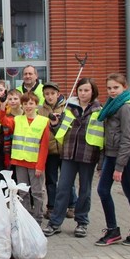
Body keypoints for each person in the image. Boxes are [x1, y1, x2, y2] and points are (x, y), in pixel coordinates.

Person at [42, 78, 102, 237]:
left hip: (88, 155)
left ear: (93, 91)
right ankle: (55, 223)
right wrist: (54, 124)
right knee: (63, 188)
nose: (83, 93)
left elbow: (103, 136)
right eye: (81, 90)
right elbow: (60, 131)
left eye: (86, 90)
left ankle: (82, 222)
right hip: (68, 153)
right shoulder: (69, 108)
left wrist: (101, 161)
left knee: (85, 190)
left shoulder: (99, 110)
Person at [96, 73, 130, 246]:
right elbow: (106, 136)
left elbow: (127, 139)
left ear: (124, 87)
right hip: (111, 155)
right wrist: (102, 162)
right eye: (109, 88)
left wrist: (119, 167)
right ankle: (113, 231)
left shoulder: (126, 107)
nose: (112, 91)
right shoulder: (111, 105)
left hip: (123, 157)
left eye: (116, 87)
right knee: (103, 191)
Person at [0, 91, 49, 224]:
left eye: (31, 103)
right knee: (23, 192)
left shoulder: (44, 121)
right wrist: (3, 105)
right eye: (25, 103)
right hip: (19, 161)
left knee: (37, 193)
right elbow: (3, 120)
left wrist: (40, 166)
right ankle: (25, 217)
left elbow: (44, 147)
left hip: (34, 163)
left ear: (36, 104)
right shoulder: (17, 119)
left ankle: (38, 218)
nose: (28, 106)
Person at [37, 82, 77, 220]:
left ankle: (72, 205)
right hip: (50, 150)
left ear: (58, 94)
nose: (50, 96)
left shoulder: (67, 108)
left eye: (52, 94)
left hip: (65, 150)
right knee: (51, 180)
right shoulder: (41, 111)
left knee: (68, 180)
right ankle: (52, 207)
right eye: (47, 94)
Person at [2, 89, 24, 171]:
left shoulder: (26, 114)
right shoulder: (6, 115)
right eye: (10, 99)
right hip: (9, 151)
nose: (12, 101)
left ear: (21, 100)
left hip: (23, 151)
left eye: (15, 99)